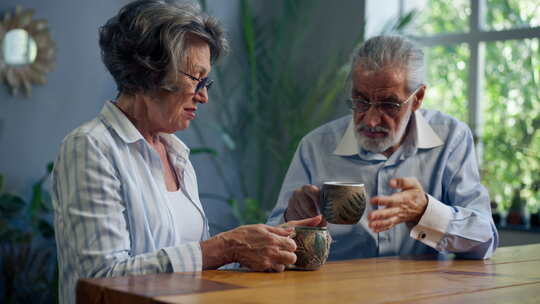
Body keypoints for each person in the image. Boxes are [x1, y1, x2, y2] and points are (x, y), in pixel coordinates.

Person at [51, 1, 320, 303]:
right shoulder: (91, 147)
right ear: (148, 70)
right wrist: (225, 247)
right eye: (196, 78)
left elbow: (197, 267)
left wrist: (273, 238)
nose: (204, 96)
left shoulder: (175, 153)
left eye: (207, 82)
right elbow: (100, 280)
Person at [267, 35, 498, 261]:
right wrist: (292, 218)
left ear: (417, 97)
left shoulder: (451, 138)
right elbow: (271, 242)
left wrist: (426, 212)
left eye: (389, 105)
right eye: (360, 101)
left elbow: (484, 241)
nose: (371, 120)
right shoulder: (315, 146)